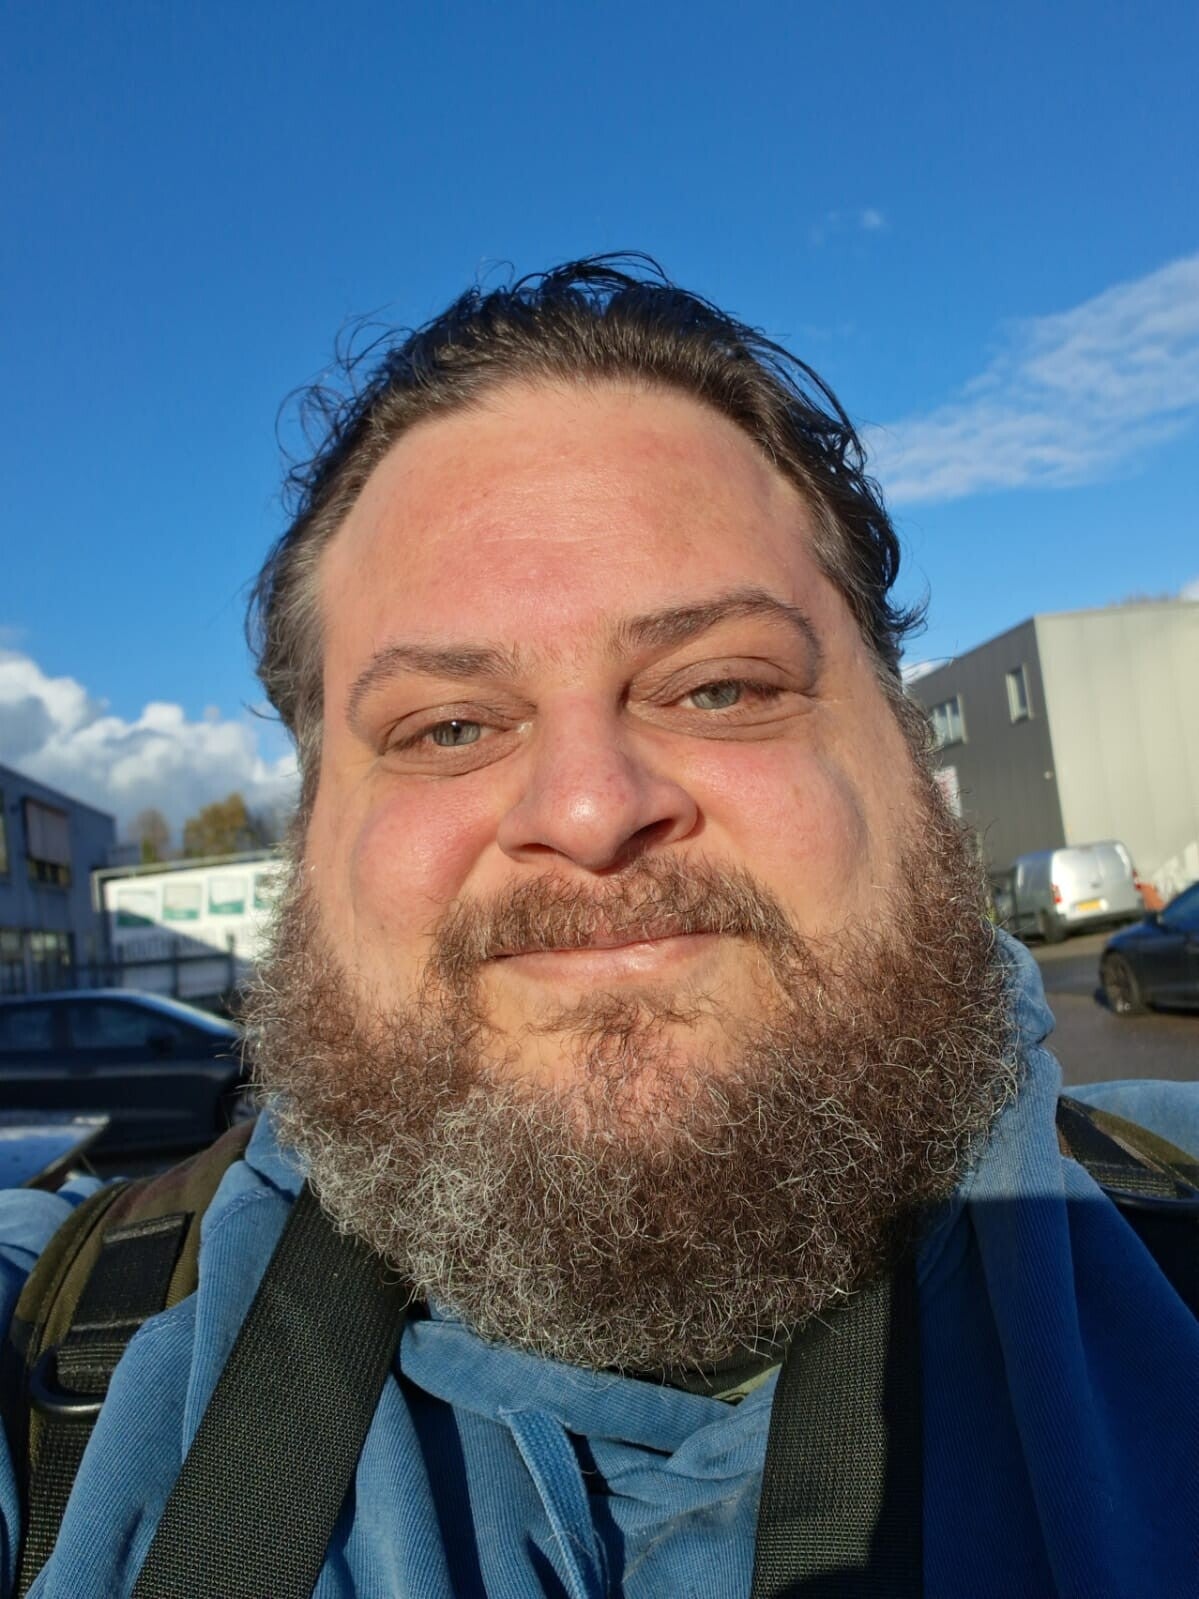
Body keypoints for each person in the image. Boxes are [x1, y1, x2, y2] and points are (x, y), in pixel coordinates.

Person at [1, 258, 1195, 1598]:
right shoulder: (51, 1360)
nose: (588, 809)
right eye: (449, 726)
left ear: (908, 761)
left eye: (721, 687)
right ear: (312, 834)